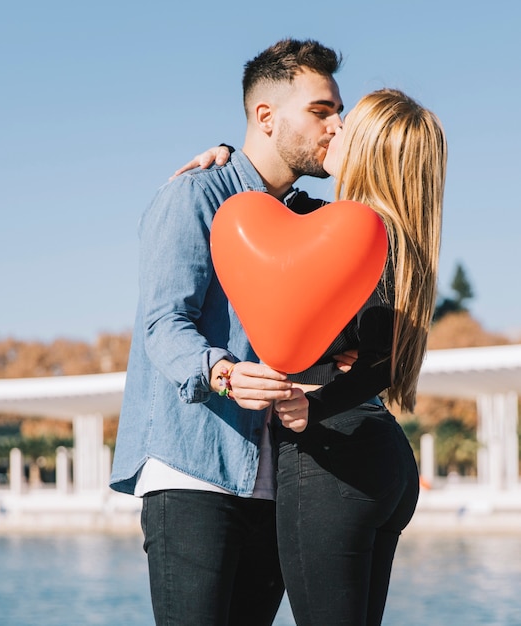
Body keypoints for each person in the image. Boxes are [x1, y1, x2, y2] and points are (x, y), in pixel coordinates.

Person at [183, 88, 447, 626]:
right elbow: (382, 357)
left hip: (330, 458)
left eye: (345, 126)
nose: (332, 129)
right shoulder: (393, 239)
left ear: (368, 151)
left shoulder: (351, 232)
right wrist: (225, 155)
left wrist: (317, 405)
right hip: (382, 456)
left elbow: (376, 359)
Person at [109, 38, 348, 625]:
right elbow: (164, 324)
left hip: (279, 485)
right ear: (265, 117)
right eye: (322, 112)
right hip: (193, 472)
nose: (336, 126)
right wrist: (223, 372)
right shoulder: (194, 194)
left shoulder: (311, 218)